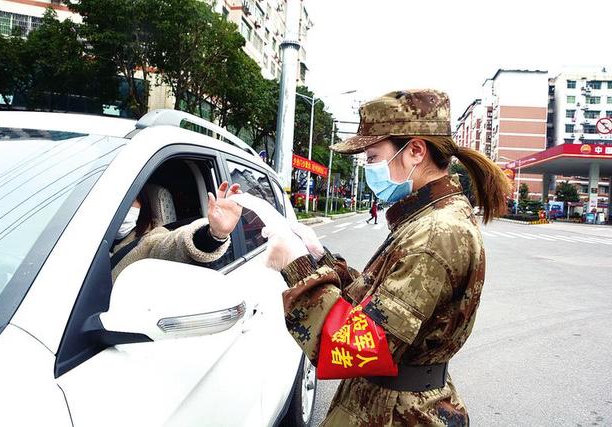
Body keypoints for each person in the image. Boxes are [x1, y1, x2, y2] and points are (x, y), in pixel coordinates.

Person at [265, 89, 511, 426]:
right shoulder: (425, 218)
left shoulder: (436, 232)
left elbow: (356, 349)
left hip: (397, 414)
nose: (369, 168)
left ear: (414, 151)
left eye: (372, 156)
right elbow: (379, 303)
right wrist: (320, 258)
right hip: (388, 404)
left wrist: (297, 267)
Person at [111, 181, 242, 282]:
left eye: (130, 201)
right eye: (116, 202)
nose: (121, 208)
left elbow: (171, 244)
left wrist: (214, 235)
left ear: (144, 203)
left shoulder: (149, 239)